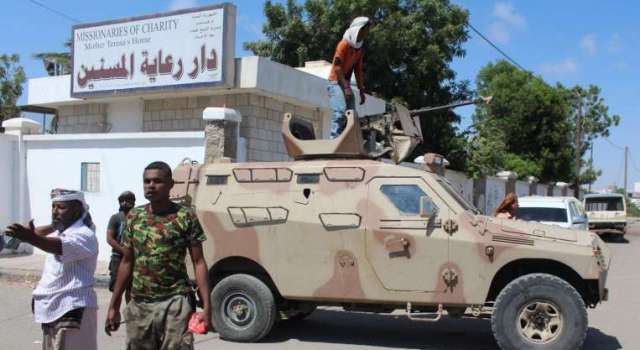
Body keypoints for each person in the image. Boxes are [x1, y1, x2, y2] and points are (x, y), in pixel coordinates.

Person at [105, 161, 211, 350]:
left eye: (157, 181)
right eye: (146, 181)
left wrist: (206, 307)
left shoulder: (185, 216)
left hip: (175, 302)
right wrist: (114, 304)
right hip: (140, 305)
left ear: (171, 184)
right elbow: (127, 262)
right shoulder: (134, 217)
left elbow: (199, 262)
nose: (151, 185)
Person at [5, 189, 99, 350]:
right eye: (53, 207)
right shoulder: (64, 231)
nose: (55, 211)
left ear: (77, 210)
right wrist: (51, 226)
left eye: (61, 207)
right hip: (54, 310)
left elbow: (57, 246)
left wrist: (31, 238)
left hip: (72, 309)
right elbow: (38, 234)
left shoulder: (84, 235)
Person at [328, 16, 371, 138]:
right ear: (358, 29)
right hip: (335, 82)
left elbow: (358, 69)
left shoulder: (359, 49)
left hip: (344, 83)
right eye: (366, 29)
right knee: (340, 112)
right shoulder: (344, 44)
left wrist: (361, 90)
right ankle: (334, 141)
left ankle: (346, 141)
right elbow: (337, 67)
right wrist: (346, 88)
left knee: (351, 116)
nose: (367, 33)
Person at [106, 191, 136, 299]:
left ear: (133, 202)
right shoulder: (115, 218)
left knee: (132, 288)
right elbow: (109, 238)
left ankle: (130, 314)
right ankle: (114, 311)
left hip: (134, 258)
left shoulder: (137, 218)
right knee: (116, 288)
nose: (125, 203)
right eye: (122, 200)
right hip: (118, 258)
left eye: (128, 200)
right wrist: (123, 250)